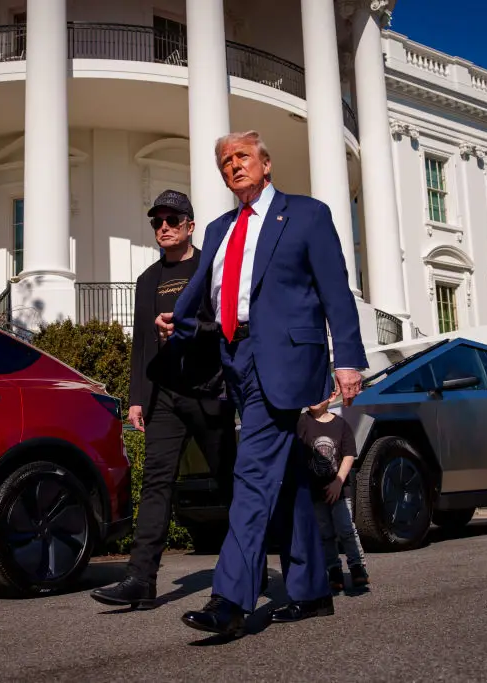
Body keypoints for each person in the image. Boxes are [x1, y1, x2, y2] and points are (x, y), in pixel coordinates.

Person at [156, 130, 367, 637]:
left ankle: (229, 599)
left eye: (243, 157)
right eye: (225, 161)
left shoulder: (307, 214)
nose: (234, 166)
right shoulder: (220, 227)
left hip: (288, 358)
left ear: (266, 164)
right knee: (287, 475)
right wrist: (178, 323)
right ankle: (313, 589)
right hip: (237, 358)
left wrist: (349, 360)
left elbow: (335, 291)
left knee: (251, 475)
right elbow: (210, 295)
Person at [90, 189, 237, 610]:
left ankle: (248, 562)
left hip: (210, 391)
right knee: (156, 484)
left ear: (190, 224)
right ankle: (140, 578)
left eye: (173, 220)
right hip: (165, 396)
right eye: (157, 221)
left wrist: (189, 329)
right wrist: (138, 397)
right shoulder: (147, 280)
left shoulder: (212, 267)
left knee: (230, 480)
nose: (164, 228)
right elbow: (141, 344)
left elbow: (227, 325)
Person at [299, 388, 370, 592]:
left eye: (318, 393)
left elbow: (349, 455)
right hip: (314, 491)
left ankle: (357, 567)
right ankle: (333, 570)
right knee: (325, 533)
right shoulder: (302, 422)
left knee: (346, 529)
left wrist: (339, 481)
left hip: (339, 489)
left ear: (331, 396)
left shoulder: (341, 425)